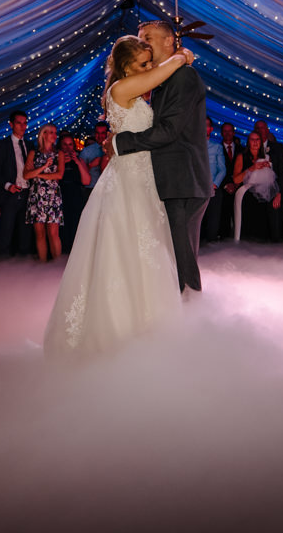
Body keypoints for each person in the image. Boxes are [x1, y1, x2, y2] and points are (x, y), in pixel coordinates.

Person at [43, 35, 193, 357]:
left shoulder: (133, 92)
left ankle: (149, 324)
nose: (150, 68)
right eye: (143, 63)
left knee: (147, 249)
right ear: (127, 67)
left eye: (150, 62)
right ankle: (119, 329)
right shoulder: (120, 90)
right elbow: (158, 76)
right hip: (127, 182)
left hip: (143, 179)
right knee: (125, 249)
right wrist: (180, 57)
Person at [107, 20, 212, 294]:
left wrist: (121, 141)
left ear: (169, 41)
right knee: (173, 255)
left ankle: (192, 315)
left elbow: (168, 131)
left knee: (181, 257)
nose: (145, 44)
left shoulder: (183, 77)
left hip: (183, 180)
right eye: (141, 39)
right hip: (169, 180)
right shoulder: (164, 79)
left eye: (149, 38)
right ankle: (179, 314)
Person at [0, 110, 32, 258]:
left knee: (25, 230)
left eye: (25, 123)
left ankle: (24, 263)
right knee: (6, 229)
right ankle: (3, 264)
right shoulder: (2, 145)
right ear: (11, 125)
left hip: (27, 191)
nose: (23, 126)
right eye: (19, 123)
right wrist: (8, 185)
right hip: (10, 193)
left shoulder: (29, 144)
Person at [231, 130, 283, 242]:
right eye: (252, 139)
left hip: (263, 194)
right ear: (248, 142)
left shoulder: (267, 157)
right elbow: (236, 179)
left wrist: (278, 192)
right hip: (246, 193)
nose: (255, 142)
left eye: (257, 139)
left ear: (261, 141)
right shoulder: (242, 156)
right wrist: (252, 168)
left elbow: (272, 180)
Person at [25, 123, 64, 261]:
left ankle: (57, 265)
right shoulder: (33, 153)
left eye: (55, 132)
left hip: (53, 195)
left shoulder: (59, 154)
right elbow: (26, 175)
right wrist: (44, 167)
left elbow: (59, 175)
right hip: (36, 195)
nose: (54, 135)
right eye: (51, 132)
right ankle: (42, 267)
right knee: (40, 234)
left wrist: (38, 174)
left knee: (53, 233)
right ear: (44, 134)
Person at [57, 132, 91, 253]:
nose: (67, 147)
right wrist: (61, 163)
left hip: (76, 196)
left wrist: (77, 162)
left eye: (70, 144)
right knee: (62, 228)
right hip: (60, 196)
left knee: (77, 226)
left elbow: (87, 181)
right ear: (60, 146)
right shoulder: (56, 159)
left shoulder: (80, 160)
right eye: (64, 145)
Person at [201, 117, 227, 244]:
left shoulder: (217, 147)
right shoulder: (191, 147)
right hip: (196, 189)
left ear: (211, 129)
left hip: (213, 189)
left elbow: (222, 169)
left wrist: (215, 184)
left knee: (213, 223)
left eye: (206, 125)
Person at [79, 122, 110, 188]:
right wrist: (90, 165)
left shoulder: (113, 150)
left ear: (107, 134)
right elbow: (79, 175)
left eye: (102, 133)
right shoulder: (86, 151)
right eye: (97, 133)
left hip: (110, 188)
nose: (99, 136)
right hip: (92, 189)